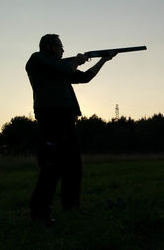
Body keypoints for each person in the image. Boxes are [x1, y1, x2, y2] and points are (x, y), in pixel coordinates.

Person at [25, 34, 115, 225]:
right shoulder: (37, 60)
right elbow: (67, 68)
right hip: (51, 119)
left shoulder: (62, 69)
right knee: (52, 165)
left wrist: (103, 60)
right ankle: (39, 212)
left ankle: (71, 207)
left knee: (74, 166)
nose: (63, 50)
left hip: (67, 120)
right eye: (60, 46)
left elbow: (85, 78)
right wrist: (76, 60)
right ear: (49, 47)